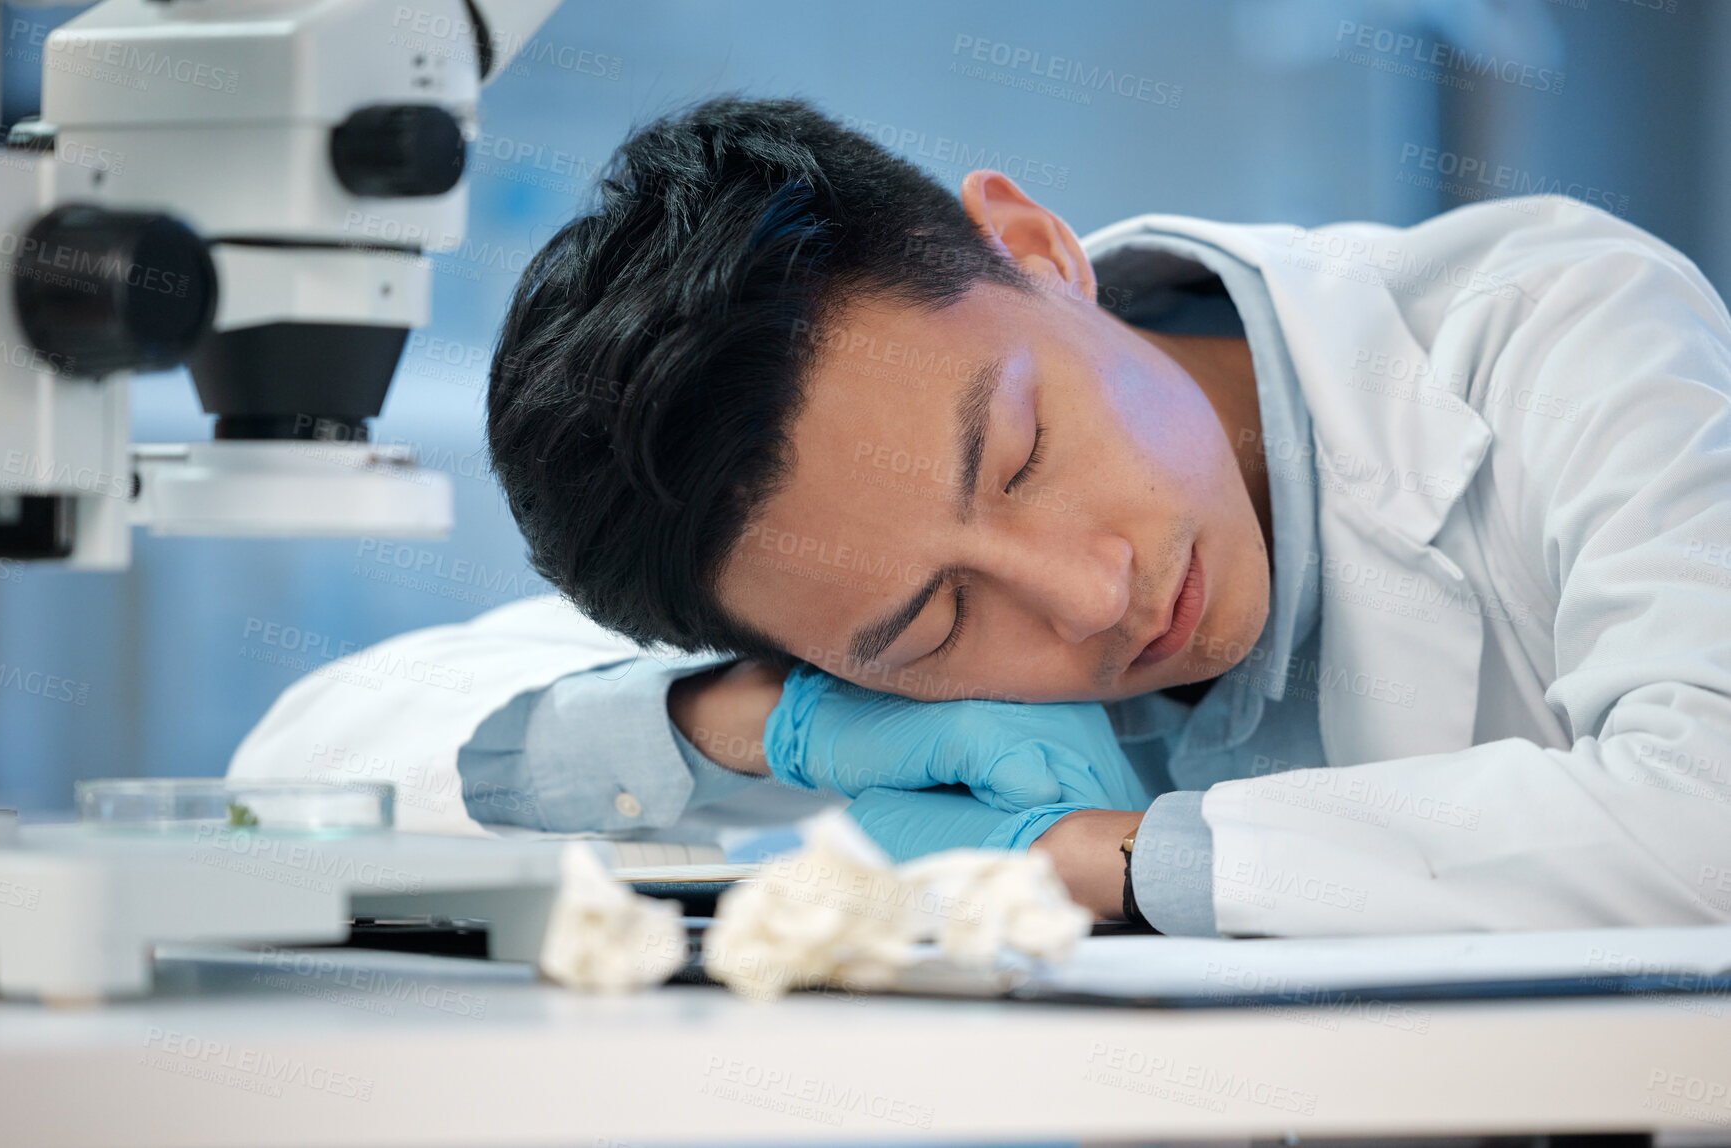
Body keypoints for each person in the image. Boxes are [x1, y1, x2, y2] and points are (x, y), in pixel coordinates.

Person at [229, 95, 1731, 938]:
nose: (1087, 602)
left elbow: (1708, 810)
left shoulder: (1544, 327)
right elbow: (297, 771)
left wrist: (1110, 856)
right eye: (935, 625)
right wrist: (758, 729)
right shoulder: (812, 572)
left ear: (1030, 247)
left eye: (1016, 453)